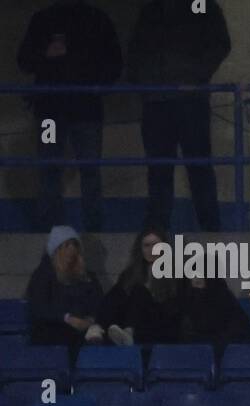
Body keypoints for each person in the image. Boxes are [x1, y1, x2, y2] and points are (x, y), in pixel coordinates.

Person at [16, 0, 122, 233]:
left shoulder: (95, 19)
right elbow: (24, 60)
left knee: (85, 170)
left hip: (77, 110)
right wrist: (46, 53)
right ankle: (53, 228)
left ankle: (84, 229)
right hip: (57, 111)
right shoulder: (47, 19)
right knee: (53, 168)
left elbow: (115, 62)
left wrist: (98, 85)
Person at [126, 0, 230, 231]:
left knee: (195, 170)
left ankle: (208, 232)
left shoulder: (198, 5)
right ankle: (158, 237)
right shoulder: (151, 9)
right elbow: (135, 51)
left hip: (186, 102)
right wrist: (144, 84)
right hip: (159, 102)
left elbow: (220, 43)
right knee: (161, 172)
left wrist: (194, 78)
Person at [25, 225, 105, 348]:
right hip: (53, 332)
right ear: (56, 250)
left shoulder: (87, 277)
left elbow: (98, 303)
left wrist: (90, 320)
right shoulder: (42, 275)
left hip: (83, 330)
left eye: (74, 245)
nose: (71, 250)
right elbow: (39, 308)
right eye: (66, 245)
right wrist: (67, 318)